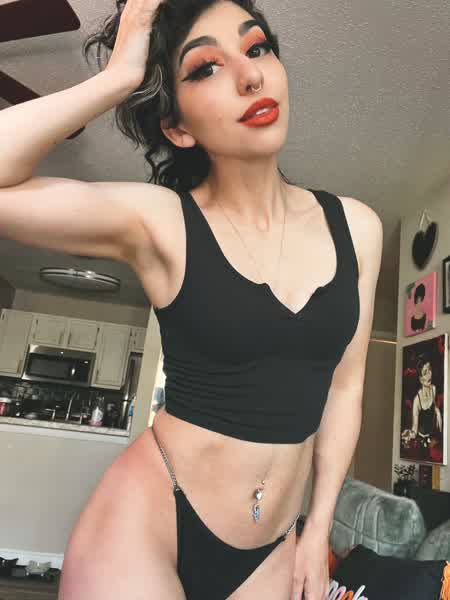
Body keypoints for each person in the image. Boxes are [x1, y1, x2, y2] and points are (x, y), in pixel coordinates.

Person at [0, 0, 383, 598]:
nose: (249, 75)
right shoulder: (164, 223)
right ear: (178, 128)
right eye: (206, 67)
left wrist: (317, 531)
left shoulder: (358, 228)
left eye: (257, 48)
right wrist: (118, 78)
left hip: (274, 546)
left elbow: (344, 388)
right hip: (151, 521)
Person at [410, 355, 443, 458]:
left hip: (433, 439)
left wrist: (438, 412)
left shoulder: (434, 389)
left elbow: (435, 408)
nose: (429, 374)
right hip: (422, 442)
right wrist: (408, 435)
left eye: (430, 370)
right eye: (425, 373)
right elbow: (414, 429)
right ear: (421, 379)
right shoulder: (417, 400)